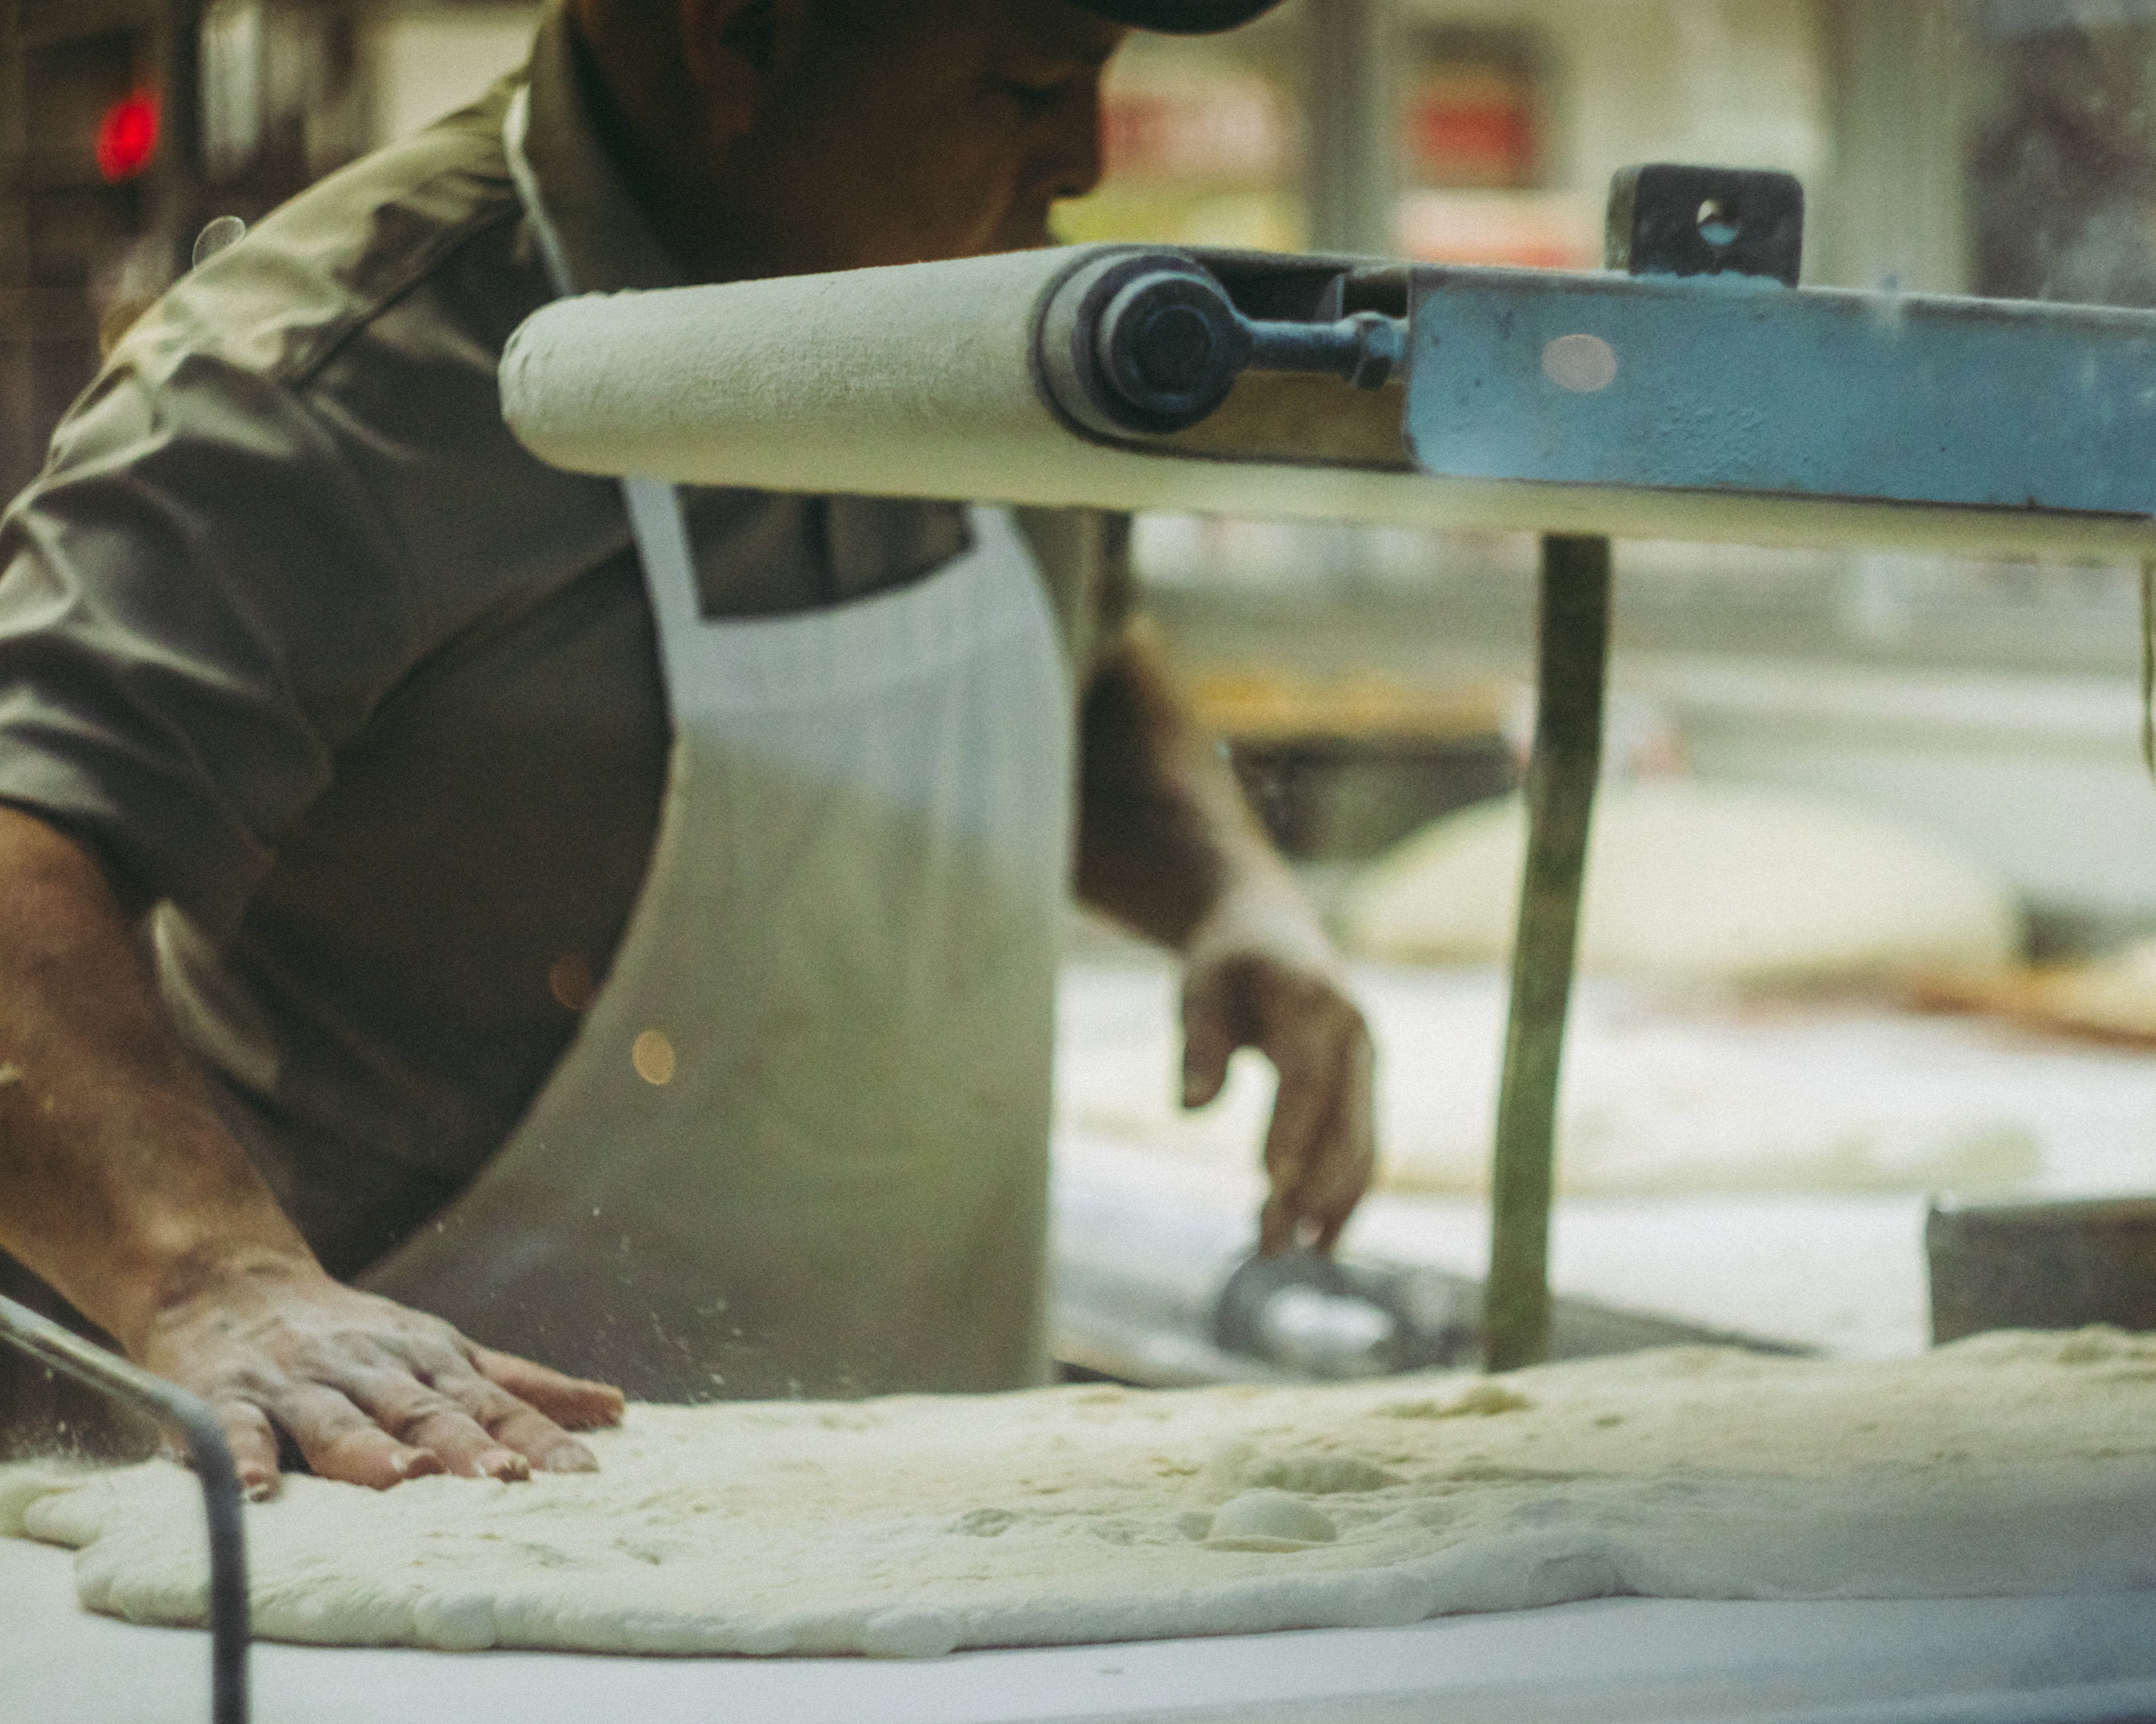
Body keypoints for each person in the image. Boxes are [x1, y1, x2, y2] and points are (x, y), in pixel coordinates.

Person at [0, 0, 1375, 1499]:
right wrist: (207, 1275)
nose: (1083, 156)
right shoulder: (338, 382)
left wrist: (1232, 895)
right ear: (740, 38)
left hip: (952, 1510)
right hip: (428, 1523)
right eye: (1029, 82)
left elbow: (1083, 652)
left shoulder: (997, 314)